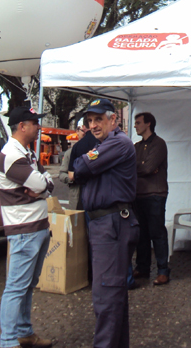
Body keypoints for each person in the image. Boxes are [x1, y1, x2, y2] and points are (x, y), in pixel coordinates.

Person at [73, 99, 140, 348]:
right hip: (108, 223)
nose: (93, 125)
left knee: (106, 296)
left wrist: (86, 165)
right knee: (113, 296)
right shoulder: (108, 144)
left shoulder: (117, 143)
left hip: (111, 224)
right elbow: (80, 165)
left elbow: (80, 166)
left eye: (98, 119)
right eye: (90, 121)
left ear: (114, 119)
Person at [0, 106, 54, 348]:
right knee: (16, 288)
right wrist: (42, 188)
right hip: (24, 231)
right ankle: (8, 341)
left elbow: (46, 182)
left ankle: (24, 333)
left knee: (27, 285)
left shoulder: (27, 154)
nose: (38, 127)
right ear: (22, 126)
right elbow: (41, 183)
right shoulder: (12, 155)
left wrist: (42, 189)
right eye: (34, 123)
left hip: (36, 229)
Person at [132, 112, 171, 286]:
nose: (135, 125)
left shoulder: (159, 144)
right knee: (141, 234)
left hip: (155, 194)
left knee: (157, 233)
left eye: (138, 122)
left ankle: (163, 270)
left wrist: (140, 167)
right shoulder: (136, 146)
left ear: (148, 124)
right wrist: (142, 167)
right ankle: (142, 267)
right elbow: (132, 167)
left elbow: (149, 167)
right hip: (138, 195)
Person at [67, 116, 99, 209]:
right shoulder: (104, 142)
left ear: (84, 127)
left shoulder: (77, 146)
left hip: (84, 193)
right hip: (103, 194)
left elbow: (71, 175)